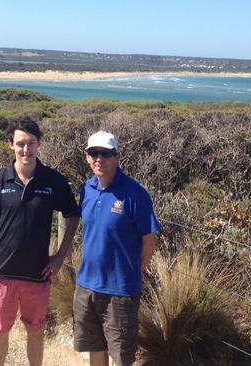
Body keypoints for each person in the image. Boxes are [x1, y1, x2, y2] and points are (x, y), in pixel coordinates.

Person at [0, 117, 80, 366]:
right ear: (11, 144)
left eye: (31, 143)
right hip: (3, 273)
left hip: (37, 274)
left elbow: (73, 216)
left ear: (39, 144)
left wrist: (59, 257)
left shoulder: (53, 181)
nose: (26, 149)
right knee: (1, 330)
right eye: (20, 143)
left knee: (36, 330)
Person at [73, 131, 160, 366]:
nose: (99, 158)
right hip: (86, 286)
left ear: (117, 157)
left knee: (121, 357)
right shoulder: (86, 189)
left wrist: (134, 270)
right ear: (87, 157)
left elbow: (149, 238)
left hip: (119, 291)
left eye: (106, 153)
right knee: (95, 349)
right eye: (94, 153)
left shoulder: (135, 193)